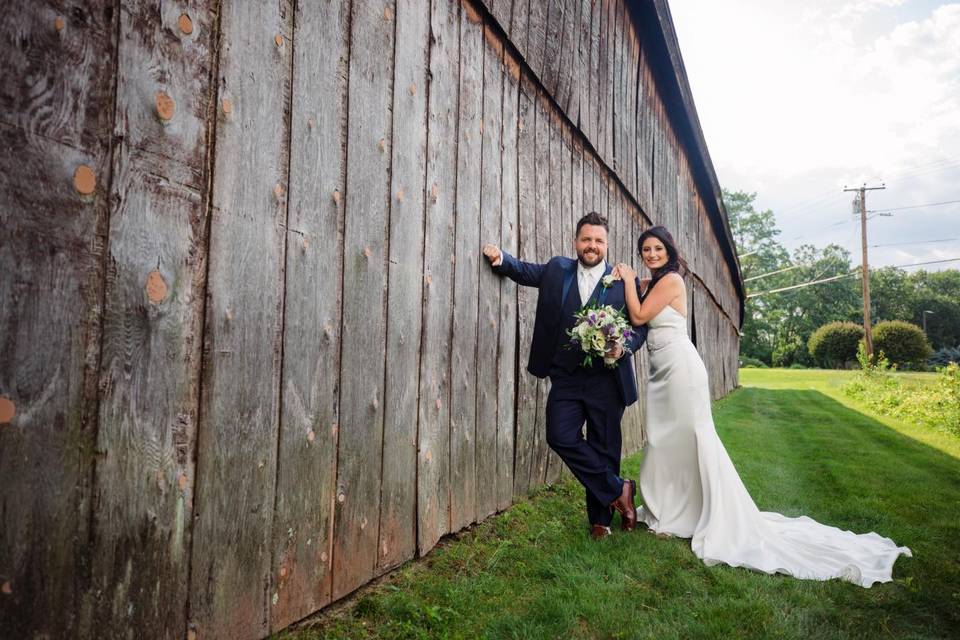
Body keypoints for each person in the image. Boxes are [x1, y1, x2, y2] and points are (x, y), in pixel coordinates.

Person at [612, 225, 911, 586]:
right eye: (646, 249)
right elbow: (637, 299)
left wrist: (628, 278)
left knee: (692, 439)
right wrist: (627, 277)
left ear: (670, 251)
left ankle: (694, 514)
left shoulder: (672, 280)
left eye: (658, 248)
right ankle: (671, 510)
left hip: (681, 370)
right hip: (660, 373)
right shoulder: (654, 281)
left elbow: (641, 315)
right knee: (665, 441)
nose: (652, 254)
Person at [483, 212, 647, 539]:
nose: (592, 245)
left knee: (605, 446)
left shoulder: (621, 281)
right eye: (586, 239)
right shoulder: (559, 269)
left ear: (606, 244)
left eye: (598, 240)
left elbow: (639, 329)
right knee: (559, 435)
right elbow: (526, 271)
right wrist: (501, 259)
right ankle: (618, 489)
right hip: (566, 377)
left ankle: (600, 523)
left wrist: (621, 348)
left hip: (607, 381)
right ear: (576, 241)